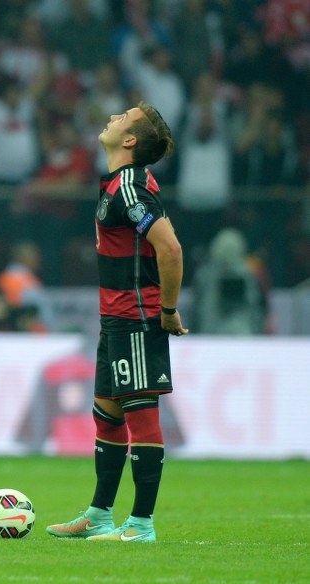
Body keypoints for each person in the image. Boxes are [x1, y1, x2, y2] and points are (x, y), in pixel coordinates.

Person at [46, 102, 186, 543]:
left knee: (141, 415)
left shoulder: (129, 188)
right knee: (106, 416)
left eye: (122, 118)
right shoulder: (119, 183)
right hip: (114, 319)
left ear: (129, 141)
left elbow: (170, 248)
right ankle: (100, 515)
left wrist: (166, 309)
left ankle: (141, 525)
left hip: (137, 318)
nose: (111, 117)